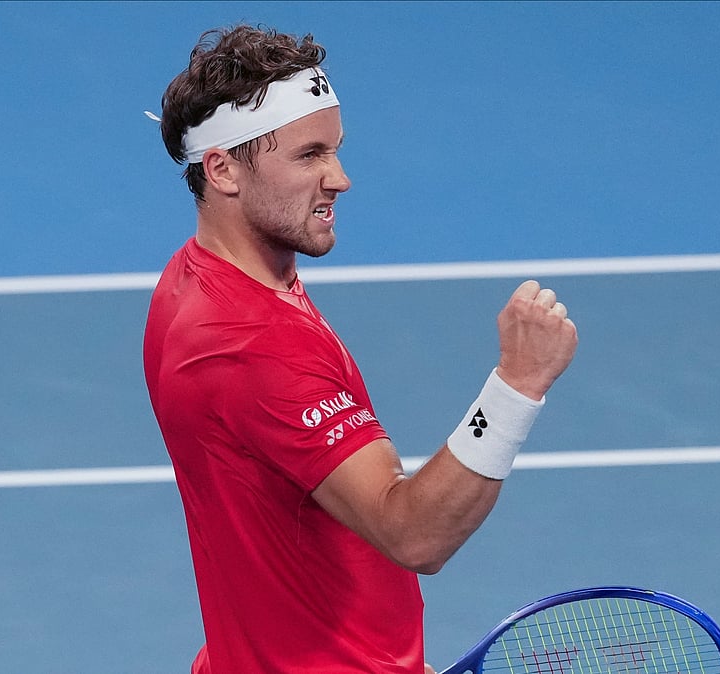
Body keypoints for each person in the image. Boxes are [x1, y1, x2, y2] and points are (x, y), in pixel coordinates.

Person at [143, 24, 577, 673]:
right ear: (223, 169)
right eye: (309, 155)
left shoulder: (192, 280)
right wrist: (517, 384)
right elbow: (414, 535)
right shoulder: (254, 346)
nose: (340, 179)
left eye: (335, 150)